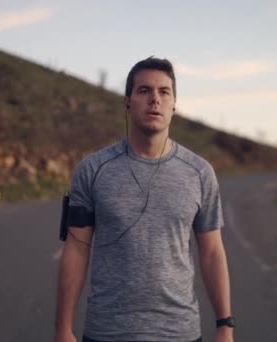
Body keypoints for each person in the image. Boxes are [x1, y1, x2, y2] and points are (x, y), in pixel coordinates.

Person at [55, 57, 234, 342]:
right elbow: (76, 250)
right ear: (127, 103)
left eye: (164, 92)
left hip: (180, 333)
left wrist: (225, 325)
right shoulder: (92, 169)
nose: (155, 99)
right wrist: (62, 329)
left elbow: (212, 252)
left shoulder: (200, 173)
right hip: (107, 333)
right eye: (144, 91)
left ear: (174, 104)